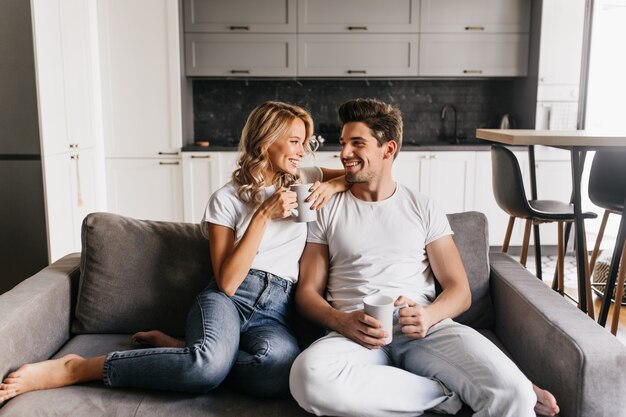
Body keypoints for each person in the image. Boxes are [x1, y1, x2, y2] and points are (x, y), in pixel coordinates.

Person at [0, 100, 348, 403]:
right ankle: (78, 367)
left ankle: (184, 348)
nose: (303, 150)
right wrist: (262, 216)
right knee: (206, 368)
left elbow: (357, 174)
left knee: (277, 370)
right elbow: (226, 282)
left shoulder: (306, 177)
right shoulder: (226, 200)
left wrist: (330, 185)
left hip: (276, 309)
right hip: (227, 301)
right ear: (266, 140)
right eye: (294, 141)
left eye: (305, 142)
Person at [289, 98, 560, 417]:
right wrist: (342, 321)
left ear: (387, 150)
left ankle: (486, 386)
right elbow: (307, 293)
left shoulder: (422, 206)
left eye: (357, 143)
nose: (345, 153)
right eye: (344, 143)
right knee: (307, 377)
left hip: (424, 329)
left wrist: (429, 316)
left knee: (515, 394)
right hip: (354, 331)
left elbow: (460, 291)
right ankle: (447, 394)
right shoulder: (325, 208)